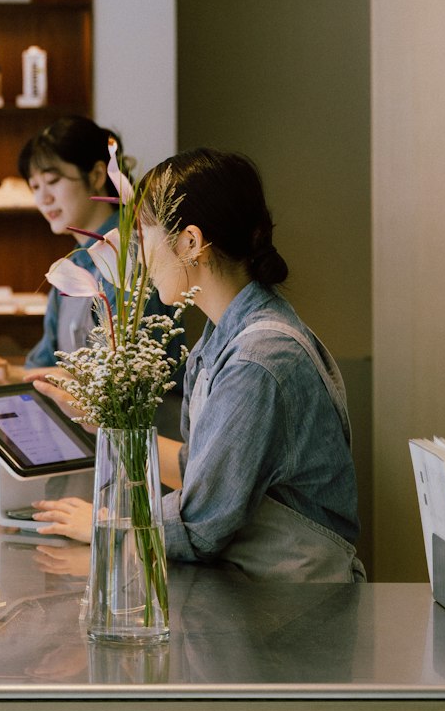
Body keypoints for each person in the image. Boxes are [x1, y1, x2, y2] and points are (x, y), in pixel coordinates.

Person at [35, 147, 364, 581]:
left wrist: (104, 524)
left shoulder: (259, 360)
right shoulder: (225, 336)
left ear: (190, 242)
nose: (140, 258)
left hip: (296, 609)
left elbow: (201, 523)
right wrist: (100, 420)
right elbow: (202, 467)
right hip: (261, 593)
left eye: (145, 237)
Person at [0, 116, 128, 383]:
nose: (43, 198)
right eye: (35, 187)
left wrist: (20, 375)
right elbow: (47, 361)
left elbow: (118, 379)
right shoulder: (72, 265)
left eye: (53, 181)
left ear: (96, 176)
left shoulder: (127, 257)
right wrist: (6, 373)